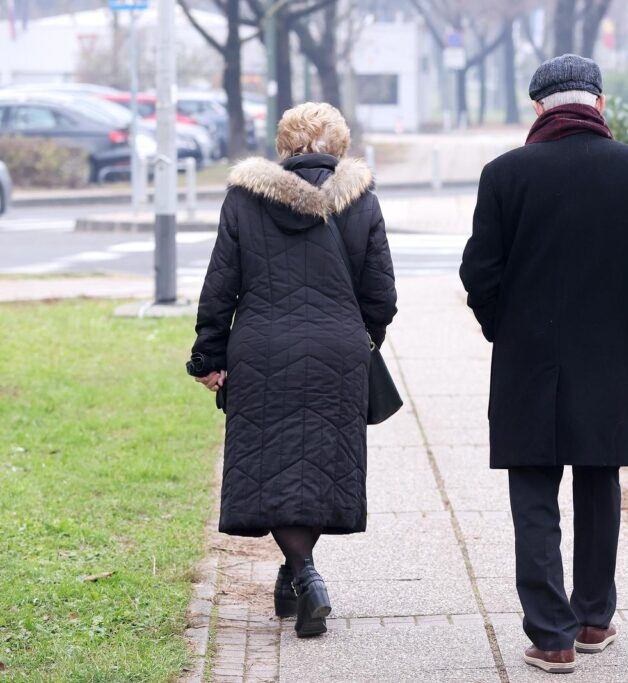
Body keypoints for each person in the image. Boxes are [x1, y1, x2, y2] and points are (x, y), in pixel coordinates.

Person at [460, 54, 628, 674]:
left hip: (527, 361)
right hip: (607, 358)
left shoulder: (504, 174)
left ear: (538, 108)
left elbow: (477, 273)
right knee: (598, 484)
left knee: (533, 490)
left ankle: (551, 637)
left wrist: (502, 328)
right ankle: (593, 619)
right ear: (600, 104)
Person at [186, 102, 397, 639]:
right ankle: (299, 574)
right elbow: (381, 294)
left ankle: (302, 574)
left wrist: (209, 355)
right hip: (338, 350)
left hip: (261, 350)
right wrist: (364, 339)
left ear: (284, 145)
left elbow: (220, 285)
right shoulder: (362, 200)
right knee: (322, 465)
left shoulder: (245, 198)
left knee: (273, 465)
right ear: (340, 145)